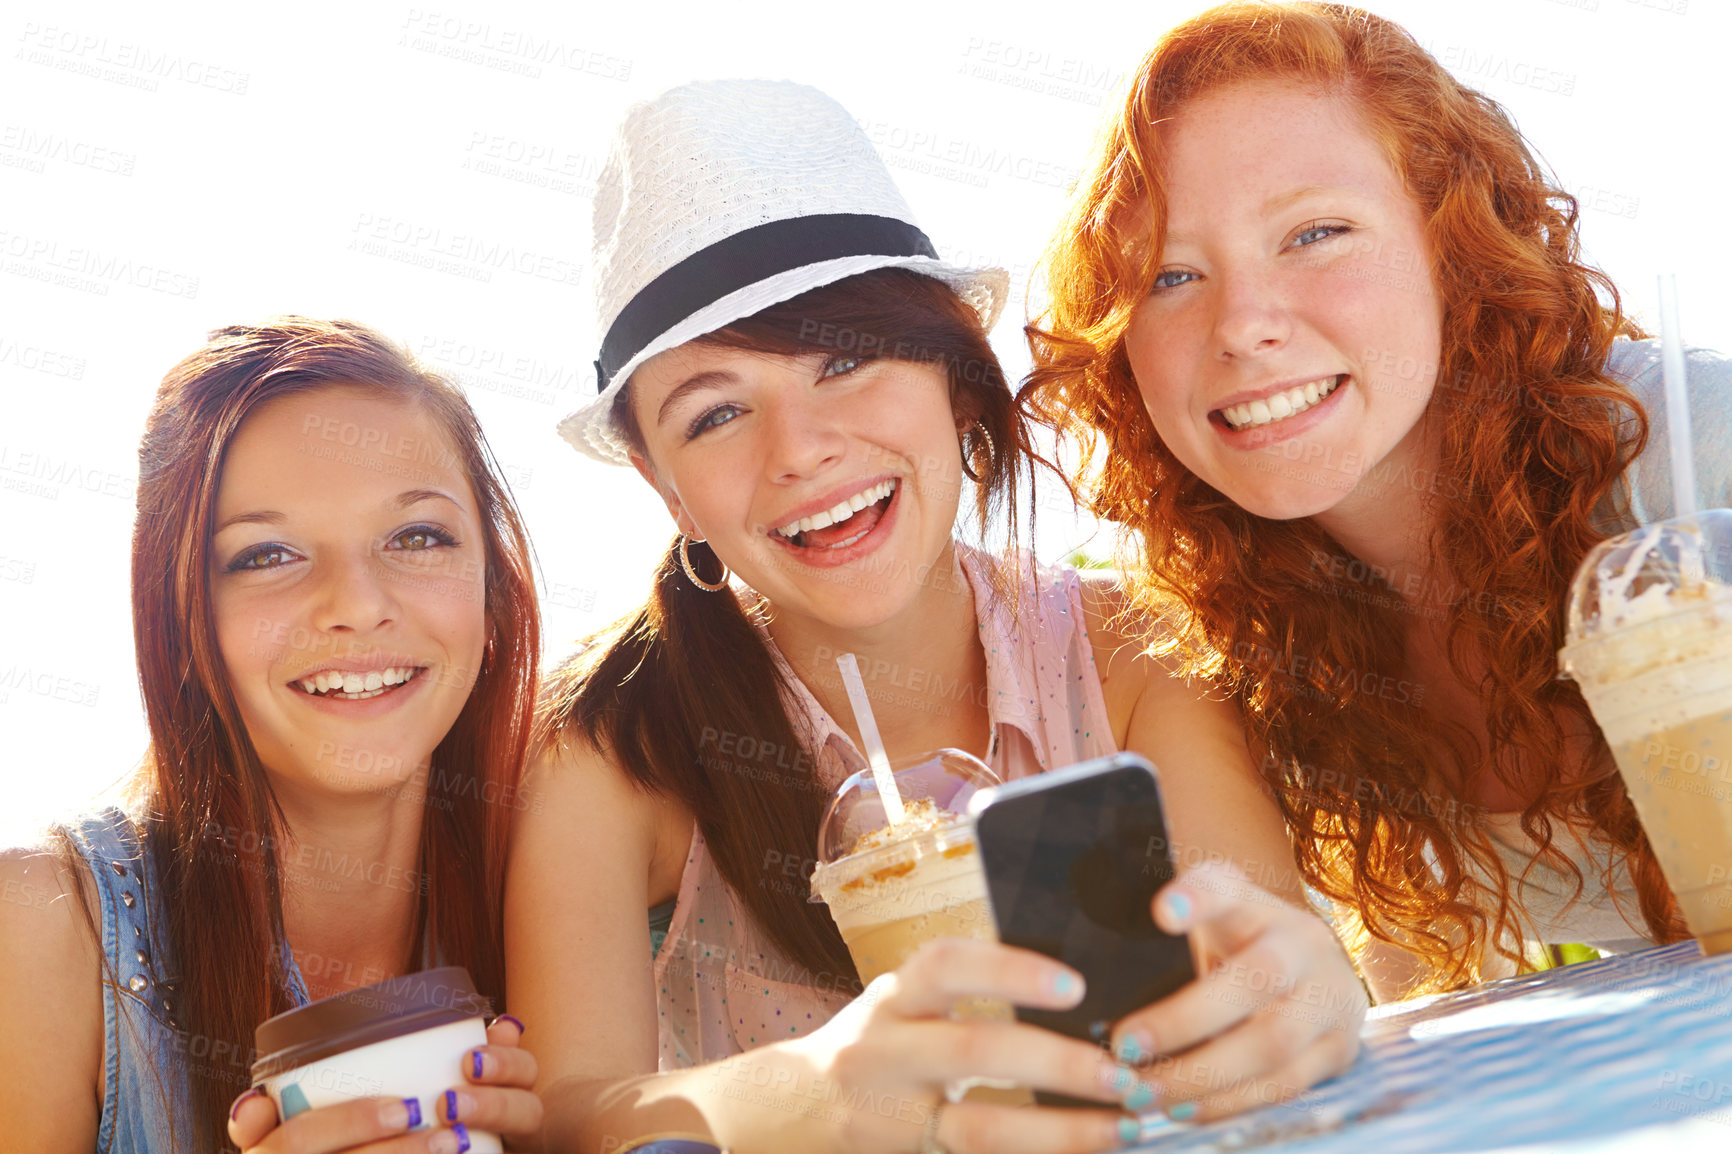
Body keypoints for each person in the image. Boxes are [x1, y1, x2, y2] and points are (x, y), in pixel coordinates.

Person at [507, 79, 1366, 1154]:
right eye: (717, 411)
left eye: (846, 360)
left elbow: (1256, 952)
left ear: (957, 375)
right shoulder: (608, 748)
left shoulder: (1137, 657)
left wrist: (1294, 994)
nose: (801, 448)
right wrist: (813, 1090)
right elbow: (569, 1112)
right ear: (664, 486)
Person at [1022, 1, 1732, 1000]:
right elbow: (1413, 985)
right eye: (1173, 273)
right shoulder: (1242, 632)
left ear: (1452, 248)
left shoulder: (1685, 455)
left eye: (1314, 232)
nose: (1245, 324)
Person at [0, 319, 546, 1153]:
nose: (358, 604)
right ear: (180, 618)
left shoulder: (571, 881)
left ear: (493, 590)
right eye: (267, 555)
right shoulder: (41, 929)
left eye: (416, 536)